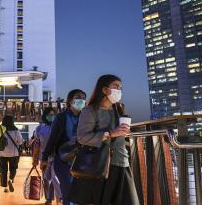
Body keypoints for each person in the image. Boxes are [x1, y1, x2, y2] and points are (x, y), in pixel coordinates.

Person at [69, 74, 139, 205]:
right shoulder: (90, 110)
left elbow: (120, 134)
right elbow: (82, 137)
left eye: (121, 88)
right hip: (100, 164)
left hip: (122, 161)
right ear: (105, 90)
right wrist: (111, 134)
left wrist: (124, 132)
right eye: (116, 87)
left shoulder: (118, 109)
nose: (119, 91)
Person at [40, 89, 87, 205]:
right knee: (67, 191)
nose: (81, 100)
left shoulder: (86, 117)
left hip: (82, 159)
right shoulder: (61, 117)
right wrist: (45, 157)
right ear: (70, 100)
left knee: (81, 192)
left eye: (83, 98)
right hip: (63, 159)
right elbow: (53, 138)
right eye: (78, 97)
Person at [32, 107, 61, 205]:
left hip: (57, 157)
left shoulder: (58, 127)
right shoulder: (39, 128)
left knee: (55, 178)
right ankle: (48, 198)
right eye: (50, 115)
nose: (52, 117)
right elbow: (36, 145)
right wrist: (35, 159)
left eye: (53, 114)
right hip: (44, 158)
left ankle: (58, 198)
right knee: (46, 178)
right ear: (45, 116)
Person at [0, 115, 23, 193]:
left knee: (3, 169)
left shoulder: (0, 129)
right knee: (13, 168)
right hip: (13, 153)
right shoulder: (16, 130)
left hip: (1, 153)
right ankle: (11, 180)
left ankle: (5, 187)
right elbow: (20, 141)